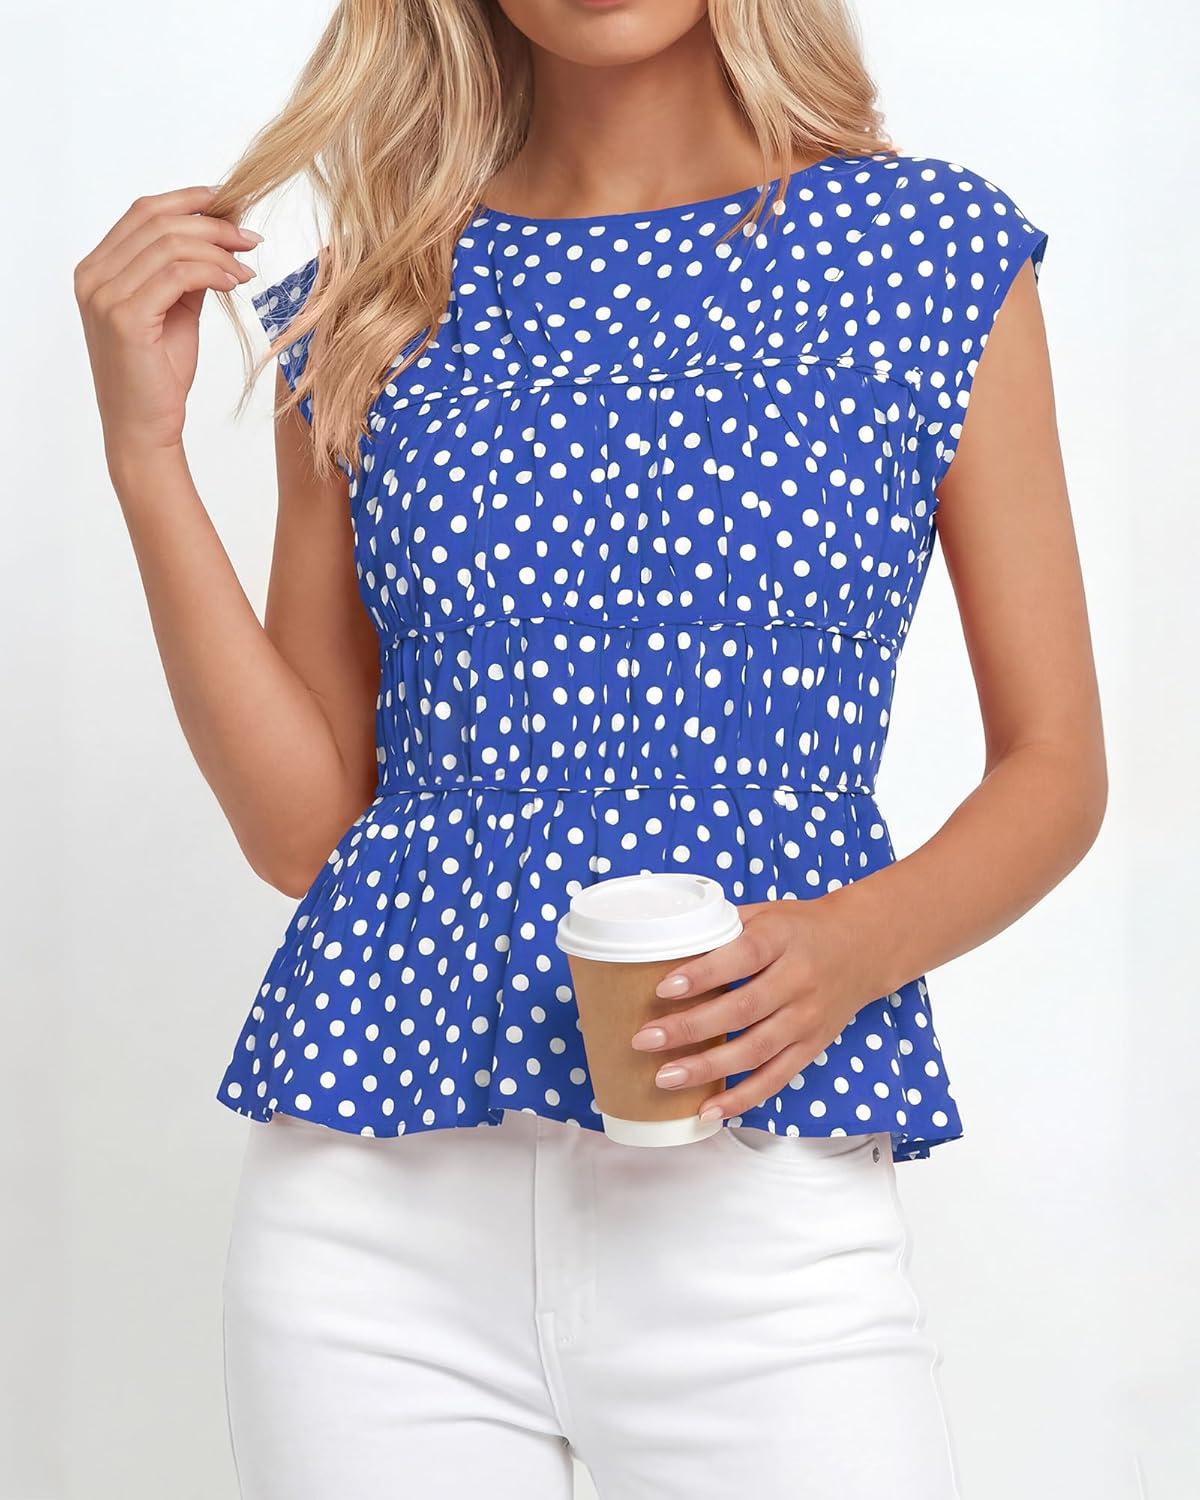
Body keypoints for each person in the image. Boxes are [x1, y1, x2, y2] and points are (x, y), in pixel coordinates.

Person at [74, 1, 1106, 1495]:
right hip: (371, 1221)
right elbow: (308, 834)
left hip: (754, 1199)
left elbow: (1057, 766)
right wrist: (145, 454)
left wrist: (851, 949)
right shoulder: (376, 296)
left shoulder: (927, 251)